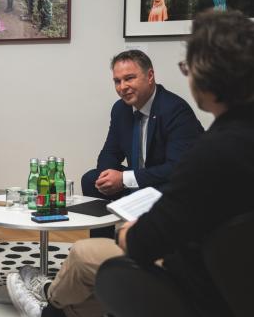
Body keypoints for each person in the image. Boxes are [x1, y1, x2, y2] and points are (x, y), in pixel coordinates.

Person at [6, 10, 254, 317]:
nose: (122, 86)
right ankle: (53, 316)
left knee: (83, 253)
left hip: (207, 295)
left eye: (187, 68)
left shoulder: (208, 152)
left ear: (207, 77)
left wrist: (127, 231)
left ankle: (47, 306)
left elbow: (145, 243)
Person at [81, 50, 203, 238]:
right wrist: (107, 176)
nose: (123, 87)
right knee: (91, 179)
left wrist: (124, 179)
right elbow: (109, 153)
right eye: (117, 81)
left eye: (129, 78)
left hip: (165, 184)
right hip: (136, 179)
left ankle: (142, 243)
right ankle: (102, 243)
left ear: (150, 76)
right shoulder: (120, 109)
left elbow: (176, 168)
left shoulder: (175, 110)